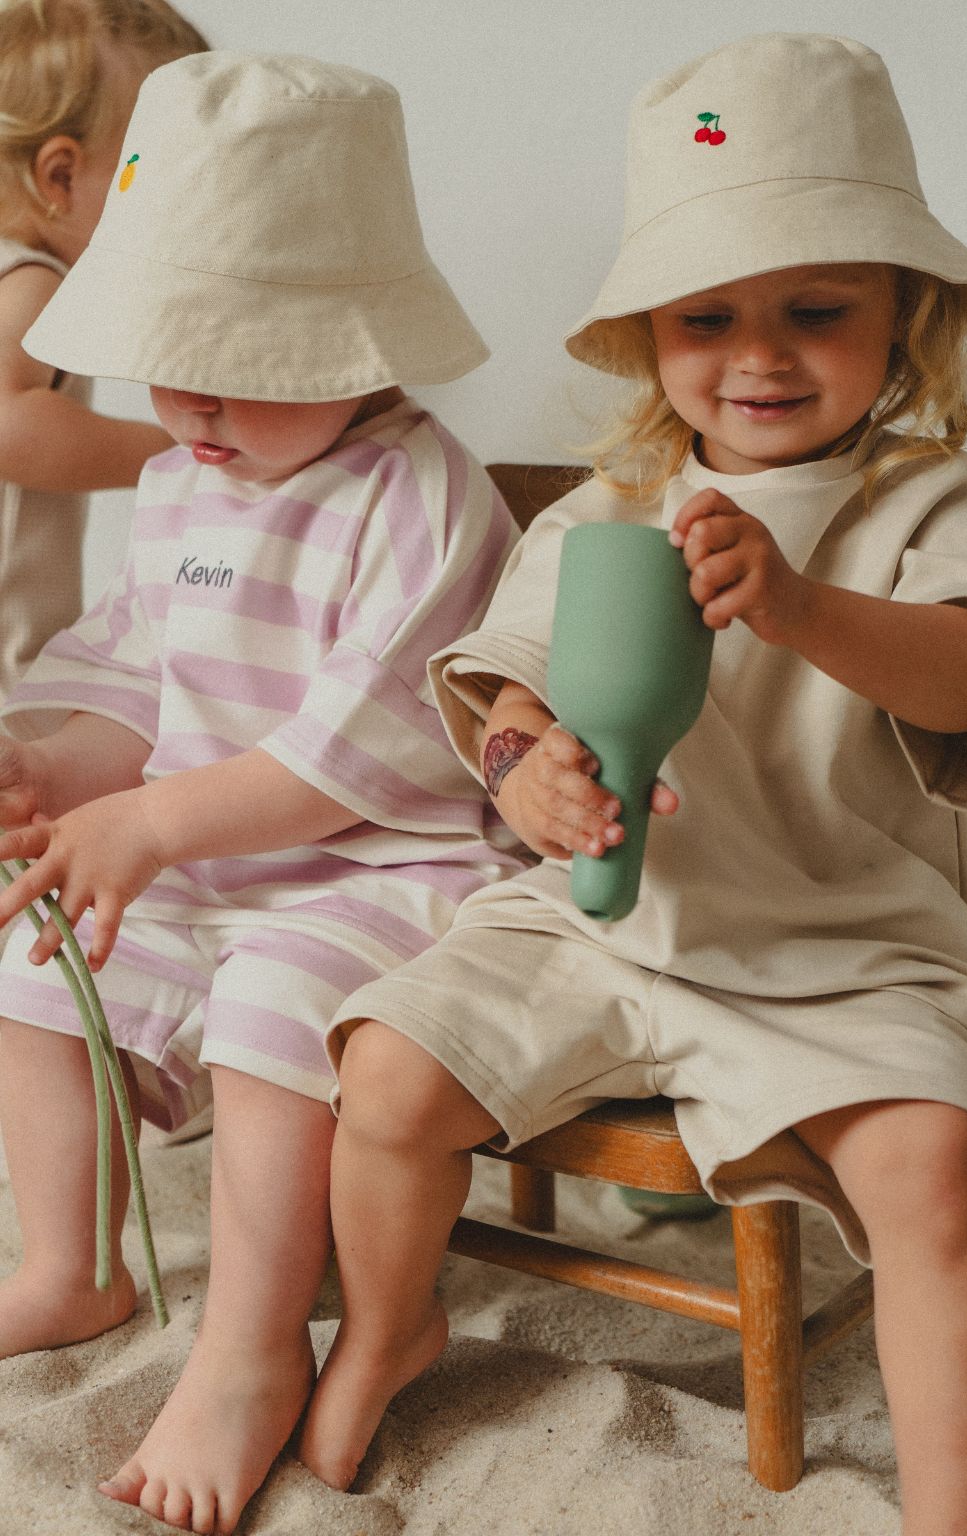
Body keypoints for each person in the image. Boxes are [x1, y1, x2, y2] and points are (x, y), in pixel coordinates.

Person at [297, 34, 967, 1536]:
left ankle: (955, 1517)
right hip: (602, 925)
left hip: (846, 950)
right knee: (381, 1078)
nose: (758, 357)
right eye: (709, 318)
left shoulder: (934, 503)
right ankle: (389, 1324)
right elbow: (506, 689)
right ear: (645, 335)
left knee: (943, 1174)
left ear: (908, 312)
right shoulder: (606, 512)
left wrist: (800, 605)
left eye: (813, 311)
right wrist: (525, 772)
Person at [0, 51, 521, 1535]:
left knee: (270, 1004)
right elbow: (138, 691)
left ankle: (246, 1347)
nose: (194, 401)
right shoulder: (178, 482)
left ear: (356, 346)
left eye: (242, 364)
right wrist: (56, 773)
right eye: (170, 357)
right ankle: (71, 1262)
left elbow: (360, 748)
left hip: (385, 875)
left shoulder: (420, 493)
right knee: (34, 957)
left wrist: (156, 822)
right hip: (213, 862)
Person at [0, 0, 208, 705]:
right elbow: (9, 424)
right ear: (61, 179)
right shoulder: (31, 277)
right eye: (160, 168)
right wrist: (173, 449)